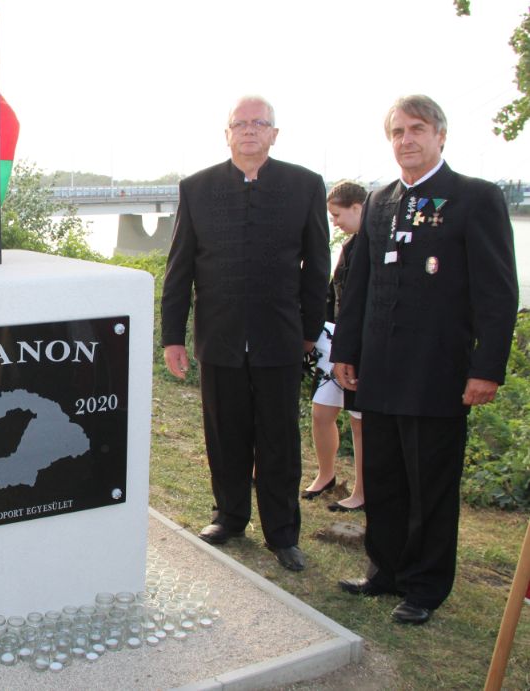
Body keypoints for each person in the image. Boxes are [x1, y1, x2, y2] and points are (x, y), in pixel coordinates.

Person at [332, 95, 518, 625]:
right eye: (397, 131)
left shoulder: (474, 198)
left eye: (417, 129)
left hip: (438, 373)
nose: (406, 139)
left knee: (430, 486)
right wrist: (346, 351)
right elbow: (359, 286)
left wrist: (486, 368)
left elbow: (498, 293)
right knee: (383, 476)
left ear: (440, 135)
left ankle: (425, 587)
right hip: (379, 370)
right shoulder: (380, 201)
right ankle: (385, 570)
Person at [162, 95, 330, 572]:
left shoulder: (304, 185)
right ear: (227, 133)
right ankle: (230, 517)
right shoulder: (197, 188)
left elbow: (318, 266)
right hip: (219, 337)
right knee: (225, 435)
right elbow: (180, 268)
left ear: (274, 133)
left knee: (279, 440)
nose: (250, 130)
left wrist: (309, 329)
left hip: (281, 337)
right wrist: (172, 336)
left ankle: (283, 534)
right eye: (241, 123)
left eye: (260, 123)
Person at [303, 181, 366, 512]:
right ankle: (326, 475)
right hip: (334, 342)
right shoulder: (350, 245)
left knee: (359, 420)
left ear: (357, 207)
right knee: (321, 411)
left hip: (360, 347)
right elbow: (333, 293)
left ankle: (361, 491)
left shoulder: (373, 245)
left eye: (337, 215)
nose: (335, 223)